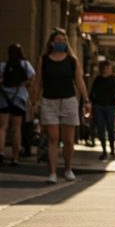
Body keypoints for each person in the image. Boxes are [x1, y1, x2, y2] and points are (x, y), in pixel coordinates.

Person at [29, 28, 91, 183]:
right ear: (51, 42)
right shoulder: (44, 59)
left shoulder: (72, 60)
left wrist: (86, 100)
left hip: (69, 102)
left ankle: (68, 168)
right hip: (49, 102)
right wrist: (33, 102)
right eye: (58, 40)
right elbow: (37, 82)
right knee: (53, 138)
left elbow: (79, 81)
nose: (61, 43)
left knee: (68, 140)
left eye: (63, 41)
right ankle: (52, 173)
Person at [0, 44, 36, 166]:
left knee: (2, 127)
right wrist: (23, 84)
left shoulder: (3, 65)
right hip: (19, 98)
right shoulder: (25, 65)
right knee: (17, 129)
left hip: (4, 98)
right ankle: (15, 157)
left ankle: (1, 152)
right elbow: (33, 78)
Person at [88, 60, 115, 161]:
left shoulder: (113, 79)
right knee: (101, 128)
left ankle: (112, 149)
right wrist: (88, 103)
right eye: (105, 67)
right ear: (102, 68)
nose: (107, 69)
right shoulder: (98, 79)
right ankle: (104, 150)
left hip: (110, 106)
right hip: (98, 106)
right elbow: (92, 93)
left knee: (110, 128)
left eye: (108, 67)